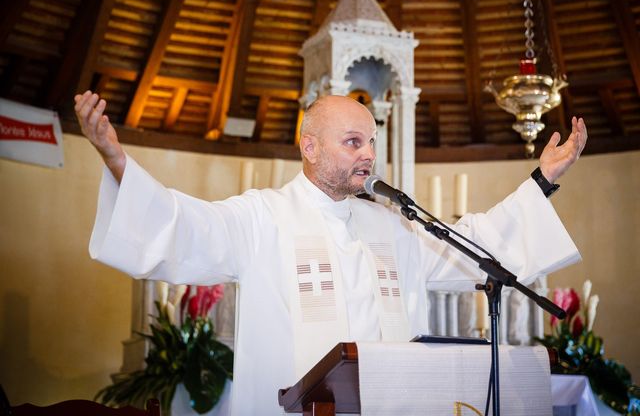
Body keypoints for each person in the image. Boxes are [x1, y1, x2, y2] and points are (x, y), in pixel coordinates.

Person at [75, 90, 587, 415]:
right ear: (310, 147)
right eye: (352, 141)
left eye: (370, 141)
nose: (368, 154)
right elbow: (184, 226)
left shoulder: (393, 225)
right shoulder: (262, 217)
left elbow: (475, 243)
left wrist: (542, 181)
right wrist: (119, 163)